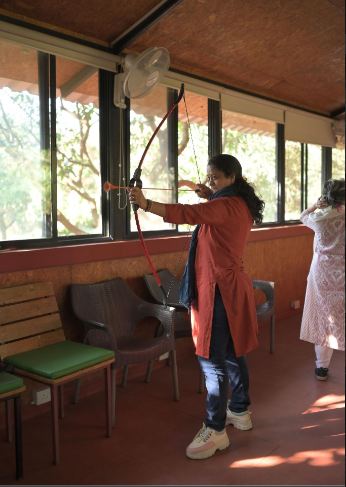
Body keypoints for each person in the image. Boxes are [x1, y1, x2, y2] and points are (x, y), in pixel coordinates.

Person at [129, 154, 265, 460]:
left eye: (216, 178)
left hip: (218, 290)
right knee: (231, 352)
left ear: (232, 177)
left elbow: (187, 212)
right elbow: (211, 210)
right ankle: (240, 411)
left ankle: (216, 430)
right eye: (210, 177)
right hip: (228, 286)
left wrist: (146, 204)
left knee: (211, 360)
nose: (210, 182)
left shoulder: (225, 206)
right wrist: (211, 193)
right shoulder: (236, 202)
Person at [299, 178, 345, 381]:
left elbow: (303, 216)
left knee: (324, 318)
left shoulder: (320, 218)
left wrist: (314, 206)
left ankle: (322, 368)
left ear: (327, 197)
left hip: (323, 273)